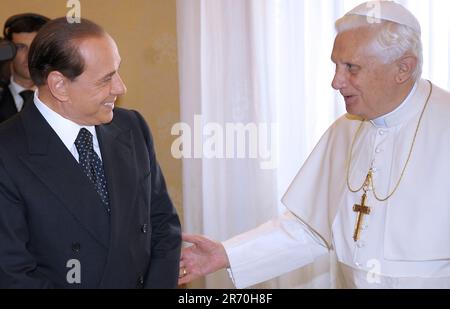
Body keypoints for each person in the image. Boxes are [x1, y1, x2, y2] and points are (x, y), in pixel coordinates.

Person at [179, 1, 450, 289]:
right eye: (336, 65)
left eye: (351, 68)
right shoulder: (345, 131)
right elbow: (311, 229)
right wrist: (226, 254)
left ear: (403, 69)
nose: (336, 81)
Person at [0, 17, 181, 288]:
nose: (121, 88)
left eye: (117, 71)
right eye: (106, 79)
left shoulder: (132, 127)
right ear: (59, 85)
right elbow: (13, 273)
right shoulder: (7, 151)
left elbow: (163, 226)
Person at [0, 13, 50, 123]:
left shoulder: (63, 99)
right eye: (21, 47)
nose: (29, 55)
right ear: (8, 50)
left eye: (35, 47)